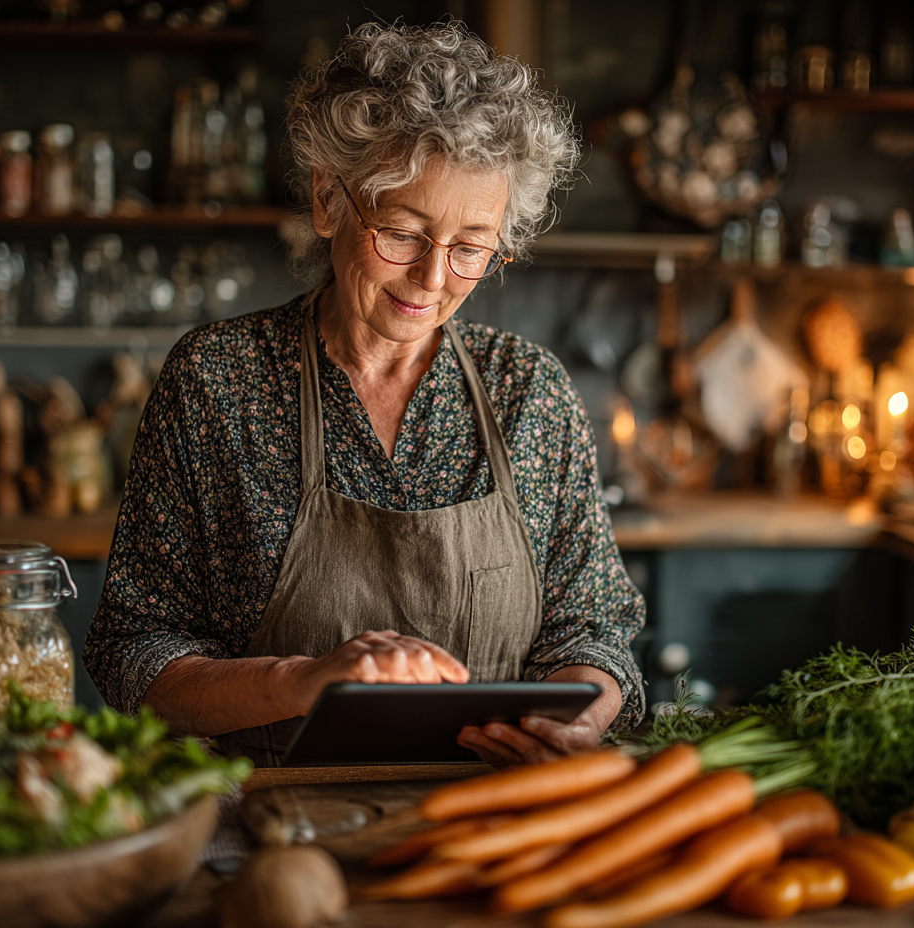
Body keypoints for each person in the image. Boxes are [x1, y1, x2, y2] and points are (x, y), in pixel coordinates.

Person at [84, 21, 645, 767]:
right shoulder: (218, 381)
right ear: (328, 201)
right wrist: (306, 679)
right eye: (403, 233)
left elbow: (594, 632)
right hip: (265, 826)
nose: (434, 278)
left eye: (473, 247)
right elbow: (136, 656)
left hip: (492, 822)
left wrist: (582, 710)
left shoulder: (529, 392)